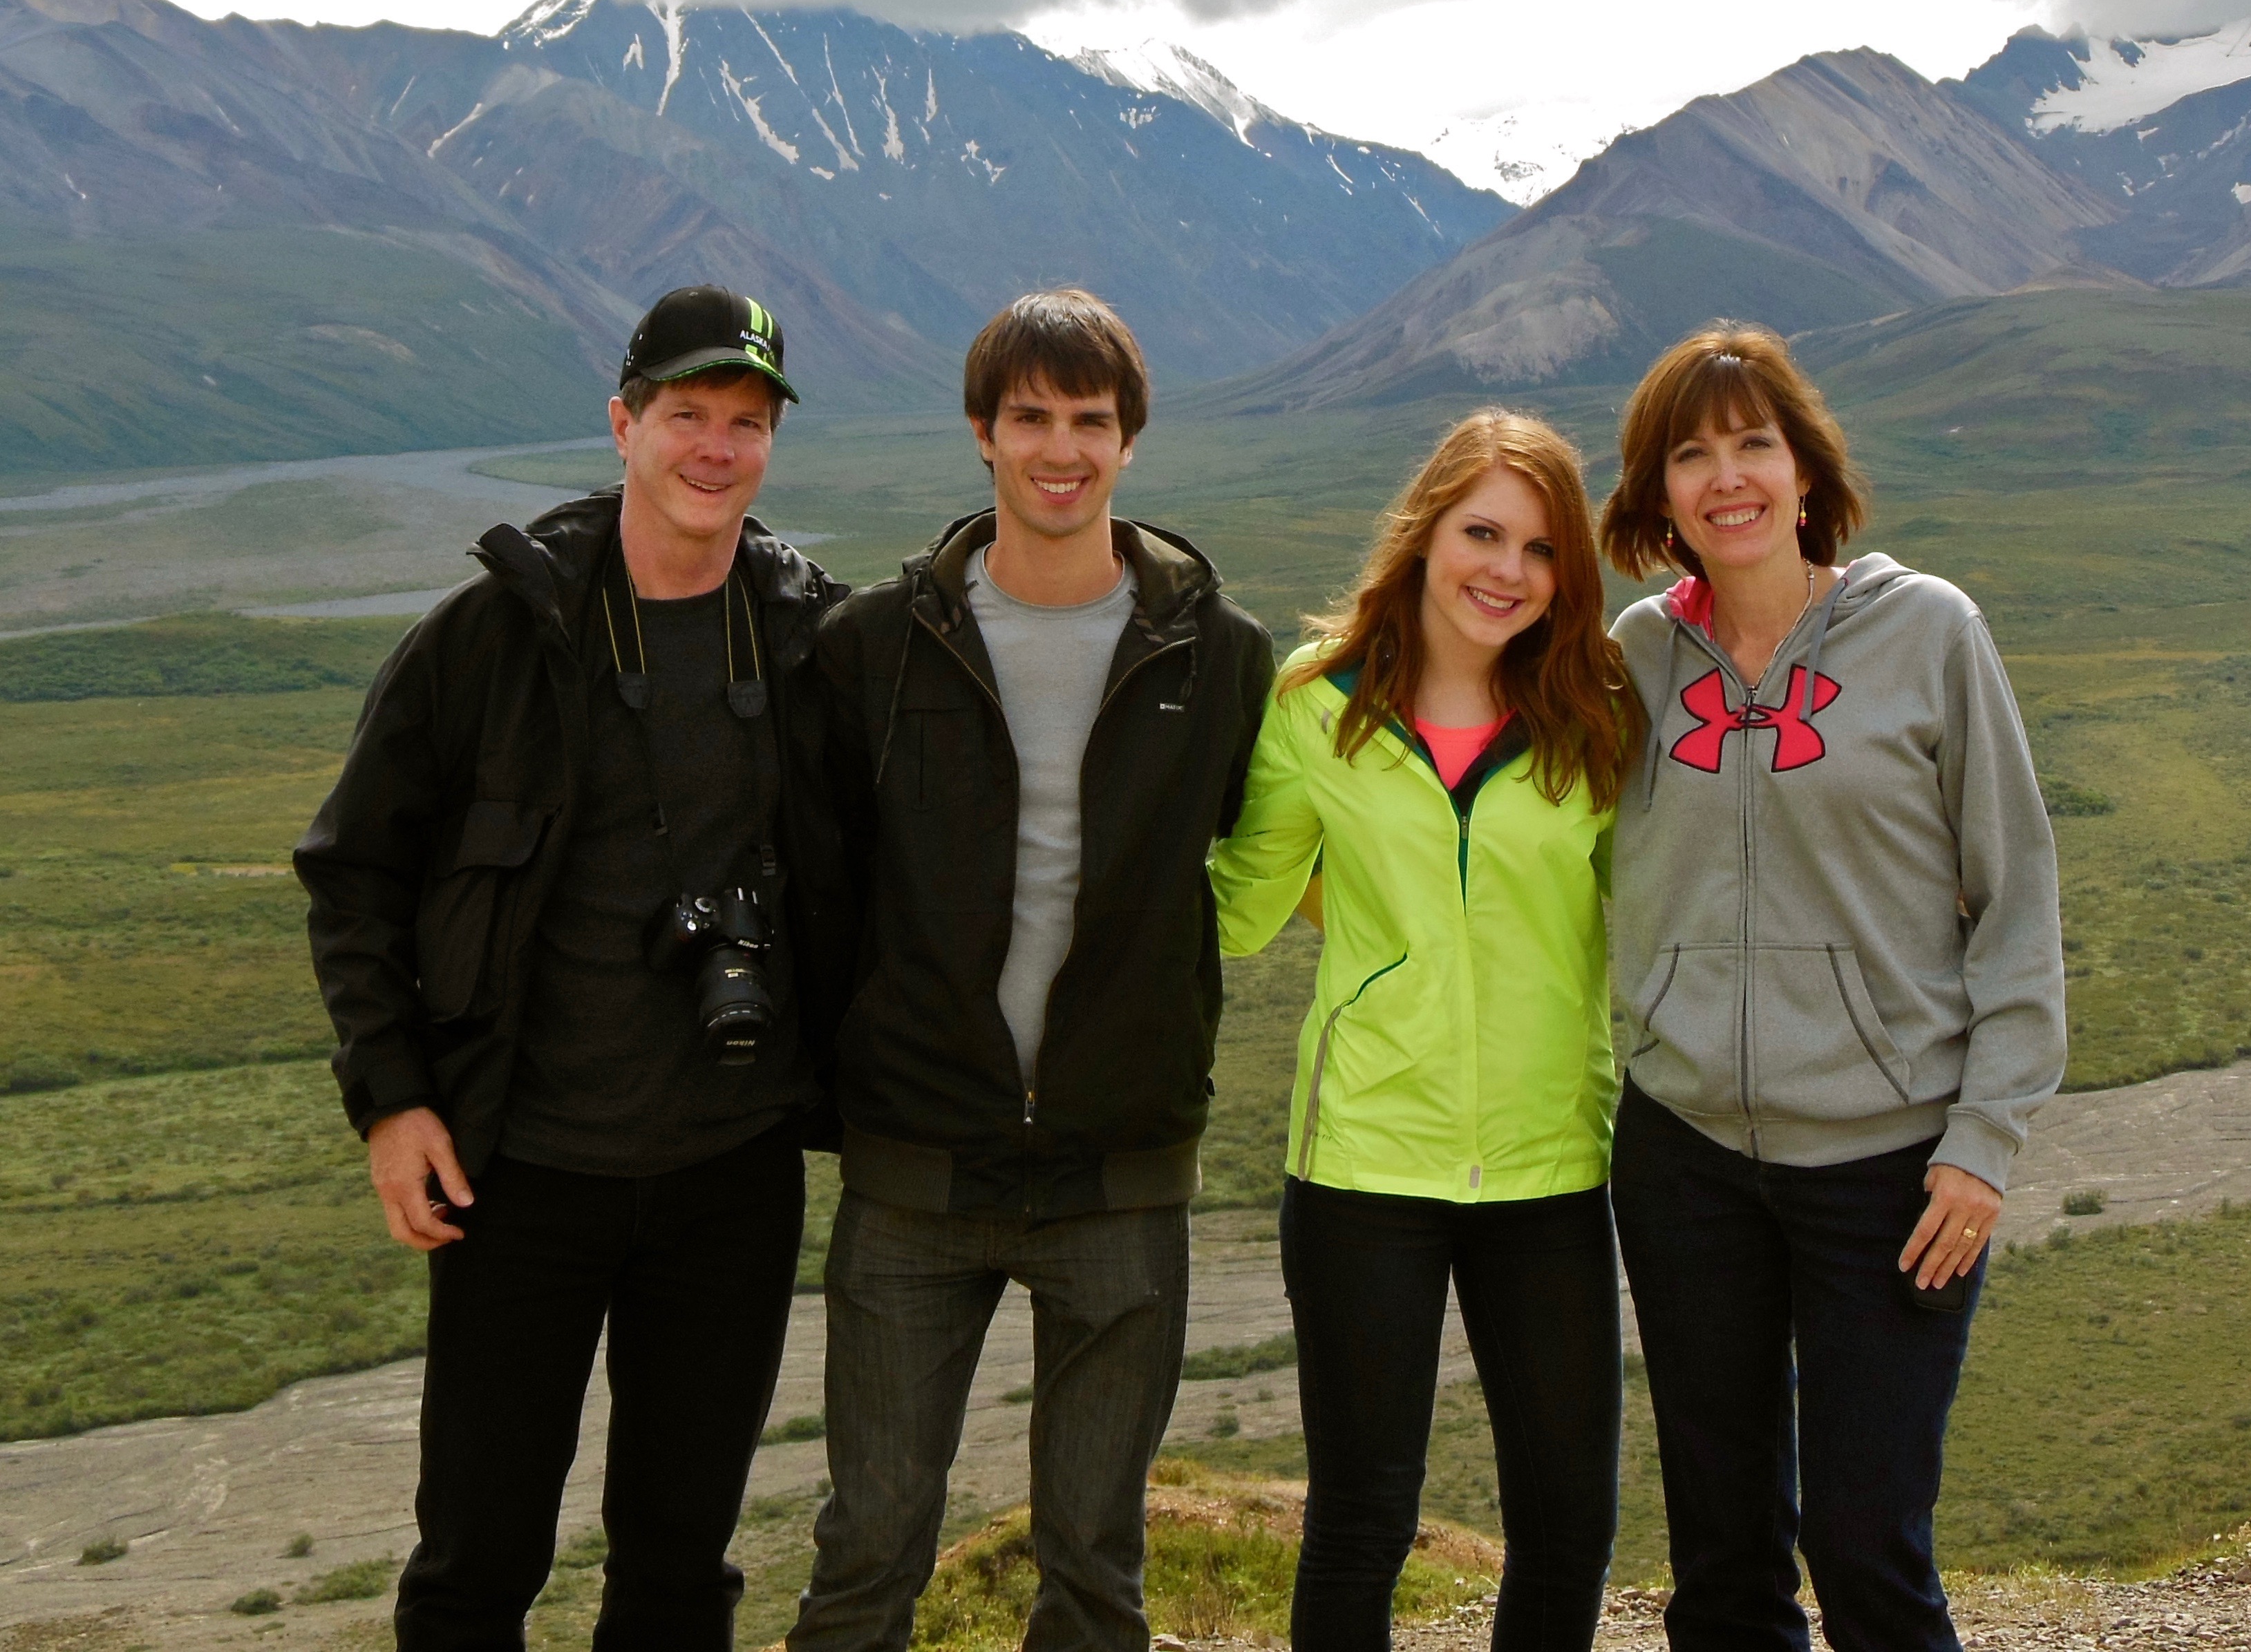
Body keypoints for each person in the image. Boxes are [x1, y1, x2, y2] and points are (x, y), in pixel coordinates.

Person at [296, 285, 853, 1650]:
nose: (714, 448)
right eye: (685, 415)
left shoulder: (808, 639)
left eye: (745, 421)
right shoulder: (491, 635)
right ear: (621, 424)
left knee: (679, 1565)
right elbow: (354, 867)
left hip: (729, 1177)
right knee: (478, 1557)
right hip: (519, 1168)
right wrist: (391, 1096)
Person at [789, 288, 1277, 1652]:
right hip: (914, 1168)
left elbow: (1257, 851)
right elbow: (824, 893)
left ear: (1128, 441)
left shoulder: (1219, 654)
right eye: (1029, 417)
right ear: (979, 432)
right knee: (868, 1544)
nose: (1058, 447)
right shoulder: (872, 647)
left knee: (1095, 1566)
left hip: (1117, 1164)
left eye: (1089, 419)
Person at [1596, 325, 2066, 1652]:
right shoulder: (1635, 656)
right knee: (1724, 1567)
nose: (1725, 476)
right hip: (1685, 1158)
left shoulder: (1929, 632)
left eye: (1754, 443)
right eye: (1690, 453)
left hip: (1893, 1169)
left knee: (1870, 1552)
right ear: (1658, 493)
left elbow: (2018, 900)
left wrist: (1984, 1145)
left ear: (1807, 469)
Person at [1209, 411, 1641, 1652]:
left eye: (1542, 549)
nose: (1507, 571)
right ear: (1427, 533)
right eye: (1483, 533)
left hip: (1553, 1164)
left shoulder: (1595, 712)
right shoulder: (1315, 708)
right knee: (1362, 1520)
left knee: (1568, 1525)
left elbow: (1671, 912)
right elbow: (1239, 910)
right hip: (1360, 1171)